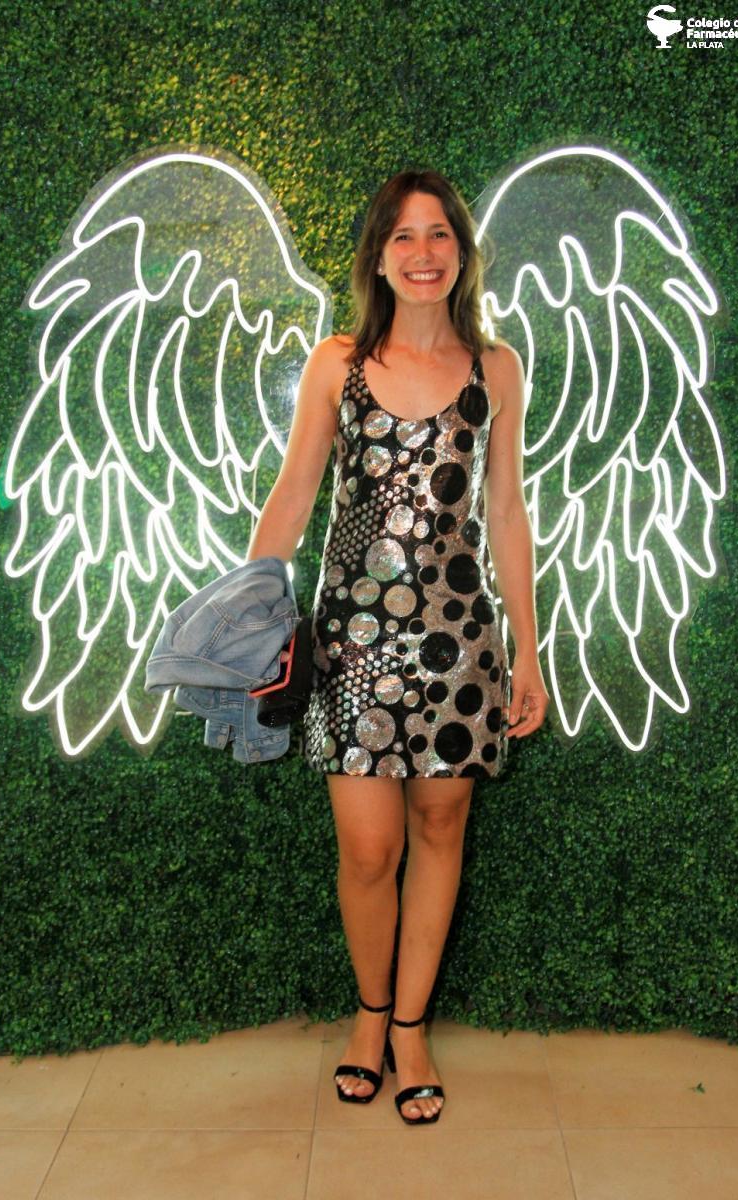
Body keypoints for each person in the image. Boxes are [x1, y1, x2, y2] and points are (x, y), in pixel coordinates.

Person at [247, 169, 549, 1125]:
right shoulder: (336, 364)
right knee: (370, 849)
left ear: (462, 251)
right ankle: (369, 1015)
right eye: (404, 236)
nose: (423, 253)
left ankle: (409, 1029)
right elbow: (295, 493)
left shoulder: (495, 369)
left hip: (461, 645)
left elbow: (508, 512)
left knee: (441, 828)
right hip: (353, 646)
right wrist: (249, 613)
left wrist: (529, 652)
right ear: (377, 257)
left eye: (439, 234)